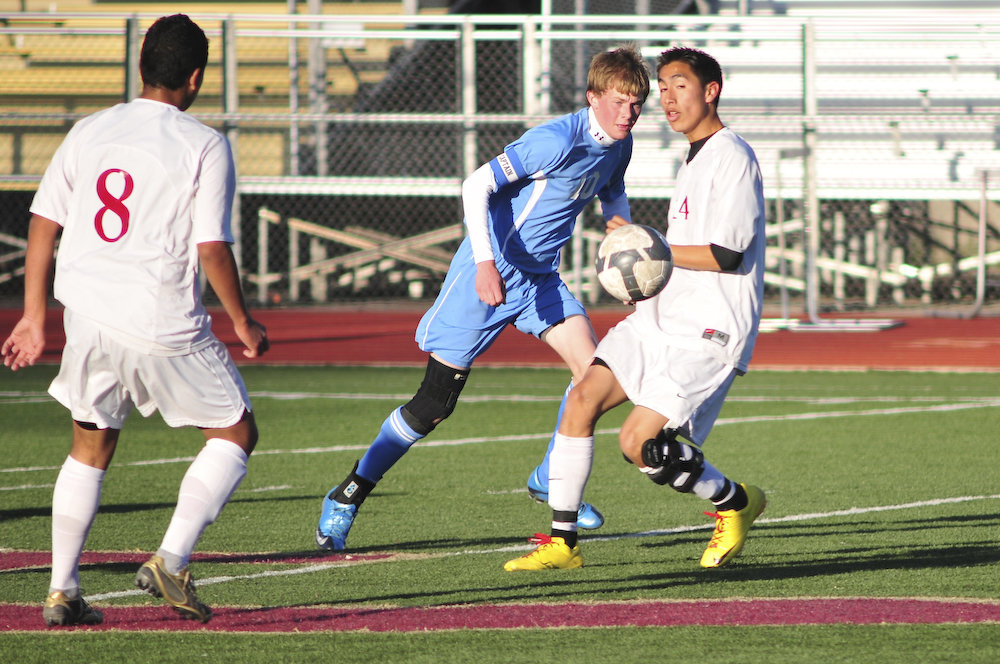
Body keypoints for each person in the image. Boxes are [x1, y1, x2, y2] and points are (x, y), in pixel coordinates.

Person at [315, 46, 651, 552]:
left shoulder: (620, 145)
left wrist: (621, 233)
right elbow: (476, 186)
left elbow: (614, 189)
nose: (629, 112)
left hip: (539, 281)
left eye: (636, 103)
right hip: (488, 272)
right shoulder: (554, 140)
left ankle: (549, 478)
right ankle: (347, 494)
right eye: (620, 100)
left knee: (598, 377)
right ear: (592, 97)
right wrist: (486, 263)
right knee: (433, 406)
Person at [1, 14, 269, 626]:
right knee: (235, 433)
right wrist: (243, 321)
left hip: (86, 316)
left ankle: (62, 590)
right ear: (197, 78)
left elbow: (43, 223)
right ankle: (171, 560)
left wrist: (34, 316)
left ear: (141, 60)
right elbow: (211, 248)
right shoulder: (203, 143)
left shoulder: (90, 129)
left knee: (89, 446)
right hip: (159, 317)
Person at [504, 46, 767, 572]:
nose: (667, 99)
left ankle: (736, 503)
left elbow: (727, 253)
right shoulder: (693, 155)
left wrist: (650, 247)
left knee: (639, 444)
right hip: (660, 319)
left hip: (709, 331)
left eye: (679, 86)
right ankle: (562, 543)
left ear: (710, 90)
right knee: (582, 399)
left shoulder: (732, 156)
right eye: (661, 89)